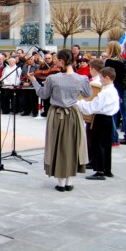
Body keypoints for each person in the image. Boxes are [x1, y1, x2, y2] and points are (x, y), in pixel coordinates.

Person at [28, 49, 92, 192]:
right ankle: (69, 182)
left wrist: (34, 81)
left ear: (62, 61)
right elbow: (87, 94)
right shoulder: (81, 78)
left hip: (57, 114)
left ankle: (61, 182)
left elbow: (43, 94)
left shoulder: (53, 78)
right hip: (73, 114)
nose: (55, 62)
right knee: (72, 145)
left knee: (57, 145)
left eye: (57, 60)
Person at [77, 67, 120, 180]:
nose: (100, 80)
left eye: (101, 77)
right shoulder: (113, 90)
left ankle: (100, 171)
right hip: (108, 118)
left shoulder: (105, 92)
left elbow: (93, 107)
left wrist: (79, 102)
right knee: (106, 145)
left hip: (101, 118)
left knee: (98, 144)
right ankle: (107, 169)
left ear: (107, 77)